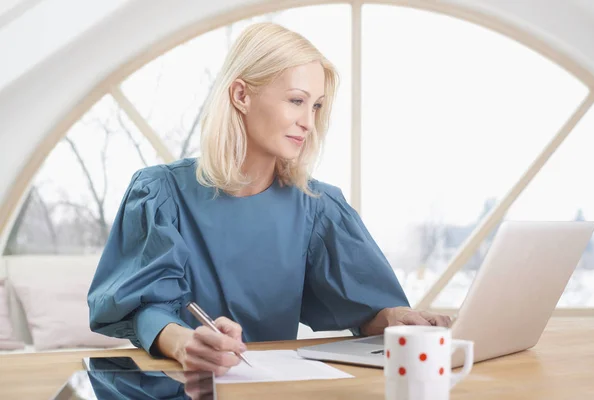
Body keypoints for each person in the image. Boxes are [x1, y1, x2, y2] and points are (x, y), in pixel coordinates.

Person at [88, 22, 451, 377]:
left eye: (317, 106)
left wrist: (392, 317)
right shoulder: (161, 194)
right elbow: (143, 308)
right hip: (178, 387)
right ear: (241, 95)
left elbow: (362, 308)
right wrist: (184, 342)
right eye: (296, 101)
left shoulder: (318, 206)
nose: (308, 122)